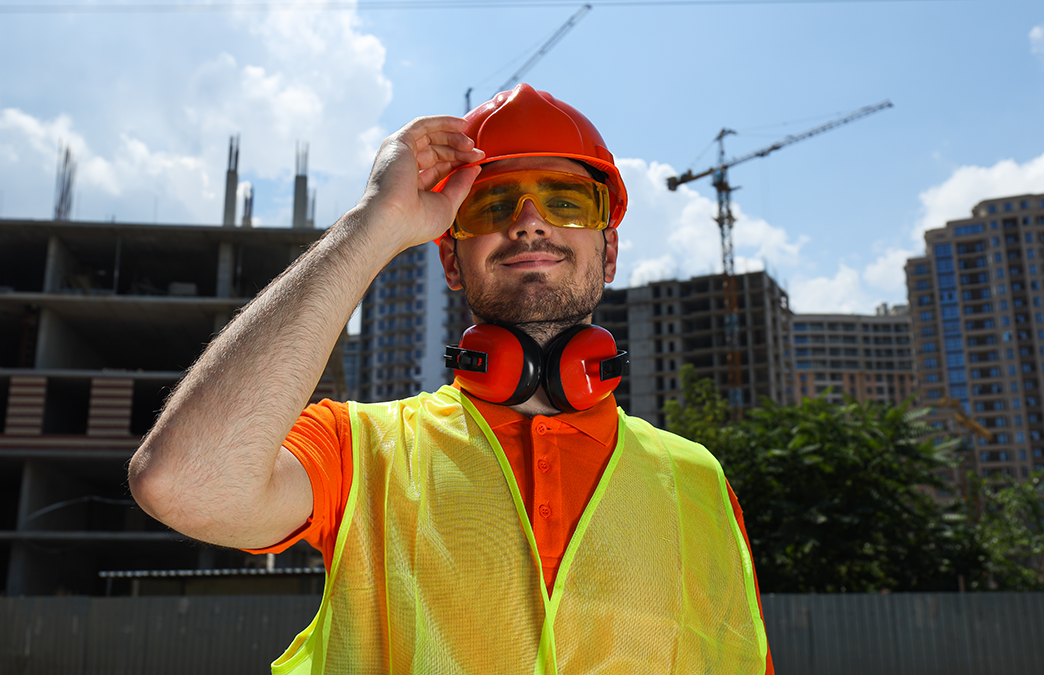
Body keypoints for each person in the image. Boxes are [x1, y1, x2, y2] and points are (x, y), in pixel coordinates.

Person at [129, 84, 772, 674]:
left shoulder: (698, 482)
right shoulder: (364, 453)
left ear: (609, 255)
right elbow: (182, 483)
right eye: (493, 204)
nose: (529, 221)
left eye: (566, 200)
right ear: (451, 261)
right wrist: (375, 221)